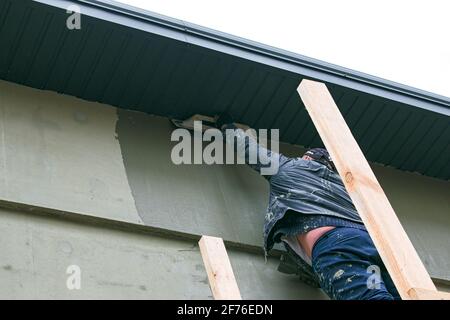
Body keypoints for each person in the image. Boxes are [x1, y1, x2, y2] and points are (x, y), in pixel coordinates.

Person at [216, 113, 400, 300]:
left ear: (308, 158)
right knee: (384, 291)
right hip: (372, 249)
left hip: (338, 246)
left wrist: (226, 125)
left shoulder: (288, 167)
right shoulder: (346, 187)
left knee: (370, 298)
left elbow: (248, 149)